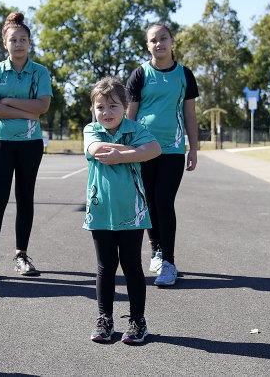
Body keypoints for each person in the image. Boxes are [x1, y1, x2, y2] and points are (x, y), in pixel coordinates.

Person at [83, 77, 161, 344]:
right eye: (101, 107)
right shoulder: (91, 129)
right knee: (105, 267)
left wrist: (123, 155)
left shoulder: (134, 127)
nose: (106, 112)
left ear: (125, 107)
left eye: (113, 106)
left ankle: (137, 321)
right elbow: (97, 150)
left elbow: (155, 149)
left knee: (131, 266)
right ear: (94, 109)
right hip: (101, 209)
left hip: (133, 210)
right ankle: (105, 319)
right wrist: (134, 151)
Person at [0, 12, 52, 282]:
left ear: (29, 43)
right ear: (4, 44)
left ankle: (21, 255)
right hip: (0, 141)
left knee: (25, 197)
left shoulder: (39, 72)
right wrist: (24, 108)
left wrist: (7, 102)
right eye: (13, 40)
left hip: (30, 144)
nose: (18, 44)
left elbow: (42, 107)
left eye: (23, 39)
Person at [125, 23, 199, 287]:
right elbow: (130, 115)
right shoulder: (140, 74)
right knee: (149, 203)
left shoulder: (184, 75)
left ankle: (168, 262)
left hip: (173, 149)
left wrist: (194, 148)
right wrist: (127, 148)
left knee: (164, 201)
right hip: (143, 148)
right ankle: (156, 248)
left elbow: (190, 114)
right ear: (148, 45)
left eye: (163, 38)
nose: (159, 44)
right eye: (153, 40)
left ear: (172, 41)